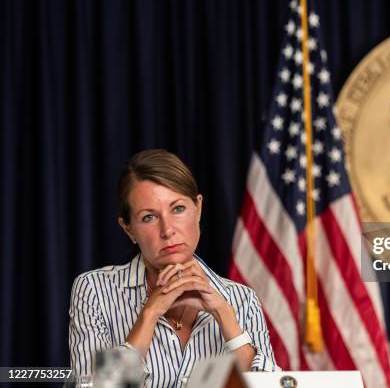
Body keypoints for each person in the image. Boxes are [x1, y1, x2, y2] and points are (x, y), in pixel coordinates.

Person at [69, 149, 278, 387]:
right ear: (128, 229)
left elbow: (270, 384)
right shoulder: (94, 290)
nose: (167, 230)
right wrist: (149, 314)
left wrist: (223, 314)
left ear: (197, 209)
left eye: (178, 208)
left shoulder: (242, 299)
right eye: (149, 217)